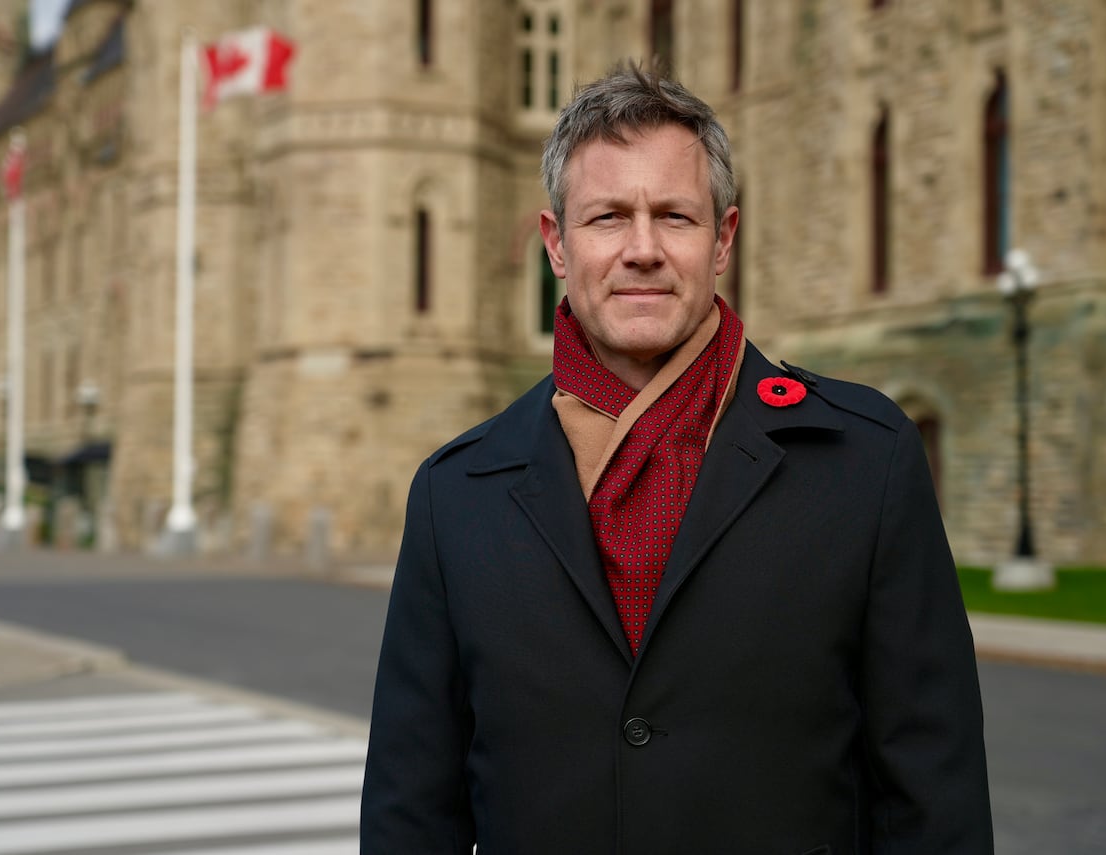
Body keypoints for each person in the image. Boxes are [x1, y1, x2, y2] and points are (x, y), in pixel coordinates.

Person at [361, 64, 992, 854]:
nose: (643, 249)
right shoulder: (456, 495)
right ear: (556, 244)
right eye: (608, 217)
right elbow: (412, 815)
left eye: (674, 216)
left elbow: (934, 801)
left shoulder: (865, 462)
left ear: (722, 239)